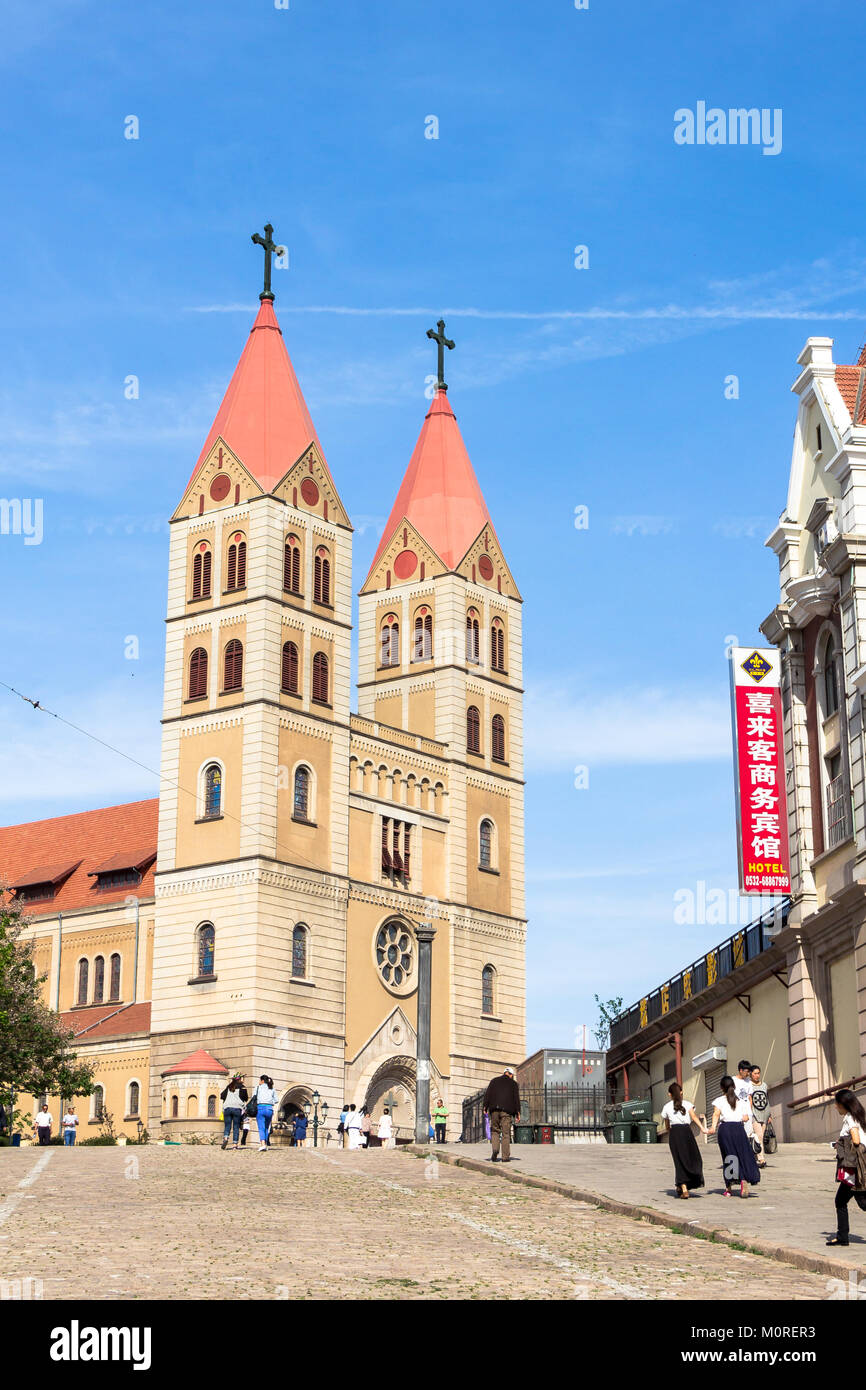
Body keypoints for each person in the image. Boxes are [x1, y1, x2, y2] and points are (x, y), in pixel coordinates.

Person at [708, 1074, 760, 1197]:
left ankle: (729, 1188)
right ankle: (743, 1180)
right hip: (738, 1129)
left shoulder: (719, 1101)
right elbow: (746, 1118)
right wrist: (736, 1116)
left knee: (729, 1157)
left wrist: (712, 1128)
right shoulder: (741, 1101)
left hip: (725, 1130)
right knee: (741, 1155)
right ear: (734, 1086)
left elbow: (716, 1114)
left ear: (722, 1088)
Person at [828, 1088, 866, 1247]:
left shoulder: (850, 1119)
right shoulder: (859, 1116)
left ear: (843, 1104)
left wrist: (842, 1143)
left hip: (853, 1167)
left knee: (842, 1201)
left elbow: (856, 1140)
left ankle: (843, 1237)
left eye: (836, 1104)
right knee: (860, 1201)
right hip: (859, 1166)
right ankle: (842, 1236)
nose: (835, 1107)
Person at [661, 1083, 706, 1198]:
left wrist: (670, 1132)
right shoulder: (687, 1104)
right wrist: (702, 1129)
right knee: (692, 1158)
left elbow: (667, 1126)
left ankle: (683, 1187)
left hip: (675, 1133)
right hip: (687, 1133)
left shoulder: (666, 1107)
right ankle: (686, 1184)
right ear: (681, 1092)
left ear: (669, 1094)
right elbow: (694, 1117)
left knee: (679, 1161)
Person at [483, 1065, 521, 1163]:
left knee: (495, 1131)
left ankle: (495, 1150)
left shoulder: (494, 1081)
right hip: (506, 1111)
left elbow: (488, 1094)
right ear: (511, 1075)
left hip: (494, 1110)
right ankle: (505, 1157)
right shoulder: (513, 1084)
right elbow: (516, 1099)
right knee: (506, 1133)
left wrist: (485, 1107)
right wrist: (518, 1112)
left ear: (504, 1073)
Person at [220, 1075, 248, 1150]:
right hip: (237, 1108)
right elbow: (246, 1098)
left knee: (227, 1126)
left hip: (227, 1108)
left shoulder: (229, 1086)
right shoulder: (242, 1087)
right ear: (239, 1080)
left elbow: (222, 1096)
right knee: (236, 1126)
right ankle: (235, 1145)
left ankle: (225, 1138)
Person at [749, 1064, 769, 1168]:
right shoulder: (749, 1085)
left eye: (758, 1073)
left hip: (764, 1114)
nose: (757, 1075)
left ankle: (755, 1155)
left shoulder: (764, 1085)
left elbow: (767, 1099)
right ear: (750, 1074)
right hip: (754, 1114)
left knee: (760, 1137)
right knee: (759, 1135)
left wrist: (769, 1115)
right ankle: (761, 1159)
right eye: (755, 1073)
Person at [253, 1075, 277, 1151]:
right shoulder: (272, 1088)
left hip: (260, 1108)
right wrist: (270, 1102)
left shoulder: (257, 1088)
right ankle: (265, 1144)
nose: (259, 1082)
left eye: (259, 1080)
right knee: (267, 1127)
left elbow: (254, 1097)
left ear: (262, 1081)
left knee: (261, 1127)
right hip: (269, 1109)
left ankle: (263, 1144)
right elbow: (276, 1100)